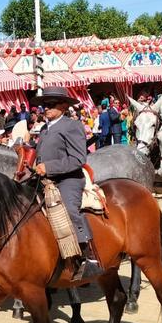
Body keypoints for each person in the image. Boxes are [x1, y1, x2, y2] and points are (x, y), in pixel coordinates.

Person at [31, 87, 104, 279]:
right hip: (45, 178)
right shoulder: (46, 128)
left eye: (50, 104)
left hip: (69, 178)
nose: (45, 108)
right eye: (44, 105)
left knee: (69, 210)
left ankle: (89, 257)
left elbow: (79, 159)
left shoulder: (73, 126)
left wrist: (49, 167)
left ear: (63, 106)